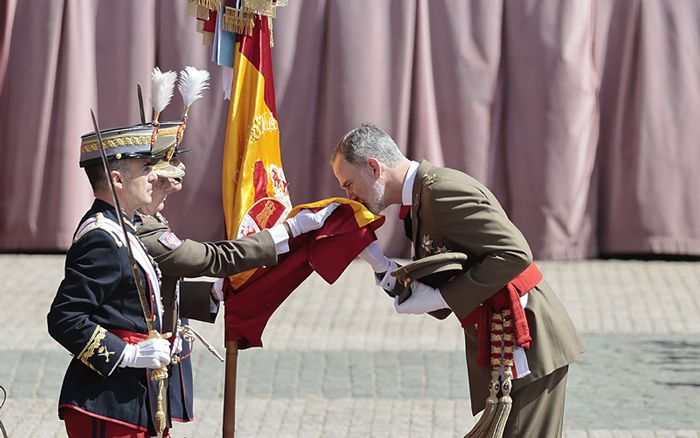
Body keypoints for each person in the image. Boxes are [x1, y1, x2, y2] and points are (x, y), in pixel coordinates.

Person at [47, 122, 334, 437]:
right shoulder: (102, 236)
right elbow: (65, 317)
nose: (155, 176)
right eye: (146, 169)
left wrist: (210, 293)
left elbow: (137, 292)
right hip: (108, 402)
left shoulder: (123, 226)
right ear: (117, 179)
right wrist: (126, 354)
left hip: (132, 398)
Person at [331, 122, 584, 438]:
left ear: (373, 167)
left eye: (348, 183)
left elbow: (516, 253)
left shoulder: (440, 192)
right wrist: (379, 264)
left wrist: (442, 298)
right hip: (507, 340)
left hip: (527, 339)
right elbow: (437, 286)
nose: (349, 195)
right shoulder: (424, 197)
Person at [134, 155, 337, 425]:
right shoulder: (140, 227)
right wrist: (289, 230)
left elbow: (154, 286)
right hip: (132, 368)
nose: (171, 187)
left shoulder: (145, 218)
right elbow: (208, 259)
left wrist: (212, 293)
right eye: (160, 181)